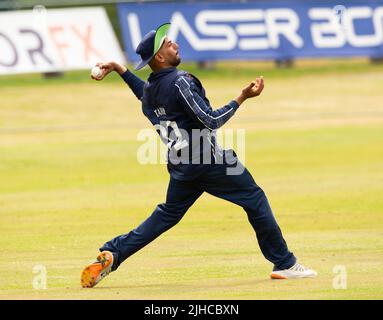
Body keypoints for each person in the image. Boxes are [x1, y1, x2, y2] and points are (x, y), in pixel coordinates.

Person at [80, 23, 317, 288]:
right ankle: (285, 263)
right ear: (159, 57)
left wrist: (119, 68)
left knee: (167, 214)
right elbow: (211, 120)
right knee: (255, 198)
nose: (175, 44)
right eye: (168, 44)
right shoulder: (181, 81)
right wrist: (242, 97)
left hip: (182, 166)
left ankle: (115, 253)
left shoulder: (151, 91)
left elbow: (142, 90)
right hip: (210, 162)